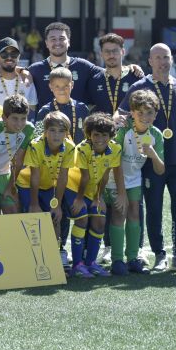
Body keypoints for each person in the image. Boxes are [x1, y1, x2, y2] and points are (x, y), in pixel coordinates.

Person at [117, 43, 176, 273]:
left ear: (171, 59)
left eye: (166, 57)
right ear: (150, 61)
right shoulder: (140, 86)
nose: (162, 61)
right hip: (149, 161)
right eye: (157, 57)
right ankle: (160, 254)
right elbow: (120, 116)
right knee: (154, 207)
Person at [109, 90, 164, 275]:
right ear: (131, 112)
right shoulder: (123, 130)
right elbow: (114, 163)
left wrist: (153, 155)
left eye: (149, 113)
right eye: (140, 112)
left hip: (133, 179)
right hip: (113, 178)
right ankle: (117, 260)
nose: (145, 117)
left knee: (134, 214)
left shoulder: (155, 134)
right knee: (119, 212)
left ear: (156, 115)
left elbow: (160, 169)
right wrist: (121, 192)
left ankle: (132, 259)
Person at [27, 22, 141, 110]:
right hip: (47, 131)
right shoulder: (35, 70)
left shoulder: (83, 66)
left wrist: (130, 67)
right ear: (46, 43)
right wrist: (20, 70)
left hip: (78, 130)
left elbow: (109, 71)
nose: (57, 43)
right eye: (53, 39)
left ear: (69, 42)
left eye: (62, 38)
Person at [65, 112, 122, 278]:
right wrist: (79, 199)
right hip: (74, 189)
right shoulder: (82, 148)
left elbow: (105, 175)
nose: (100, 139)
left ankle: (91, 263)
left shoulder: (115, 149)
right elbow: (85, 177)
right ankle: (77, 264)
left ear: (111, 136)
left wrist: (98, 198)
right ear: (89, 134)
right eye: (96, 135)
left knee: (100, 220)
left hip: (92, 191)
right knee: (82, 219)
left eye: (104, 135)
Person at [15, 112, 74, 256]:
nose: (56, 135)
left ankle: (56, 254)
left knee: (55, 217)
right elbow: (34, 177)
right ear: (45, 131)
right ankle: (26, 254)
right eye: (52, 130)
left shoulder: (70, 147)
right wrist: (34, 204)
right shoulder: (36, 146)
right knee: (31, 216)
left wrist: (58, 204)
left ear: (67, 133)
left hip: (49, 186)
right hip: (28, 185)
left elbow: (63, 177)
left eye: (61, 131)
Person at [0, 94, 35, 215]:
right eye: (15, 118)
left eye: (23, 118)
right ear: (4, 118)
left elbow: (19, 161)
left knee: (13, 212)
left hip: (5, 175)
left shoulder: (29, 129)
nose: (19, 124)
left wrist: (9, 186)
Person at [87, 33, 138, 116]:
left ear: (123, 52)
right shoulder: (94, 80)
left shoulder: (136, 77)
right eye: (107, 51)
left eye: (115, 51)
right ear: (101, 54)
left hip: (130, 128)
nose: (111, 55)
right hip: (103, 128)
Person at [36, 68, 91, 145]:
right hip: (54, 156)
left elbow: (89, 135)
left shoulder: (82, 108)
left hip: (79, 155)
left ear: (72, 85)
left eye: (66, 86)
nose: (61, 90)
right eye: (57, 86)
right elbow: (37, 137)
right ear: (50, 87)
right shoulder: (44, 111)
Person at [0, 38, 37, 115]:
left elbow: (32, 109)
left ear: (19, 57)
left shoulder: (27, 79)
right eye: (4, 54)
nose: (9, 58)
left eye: (14, 54)